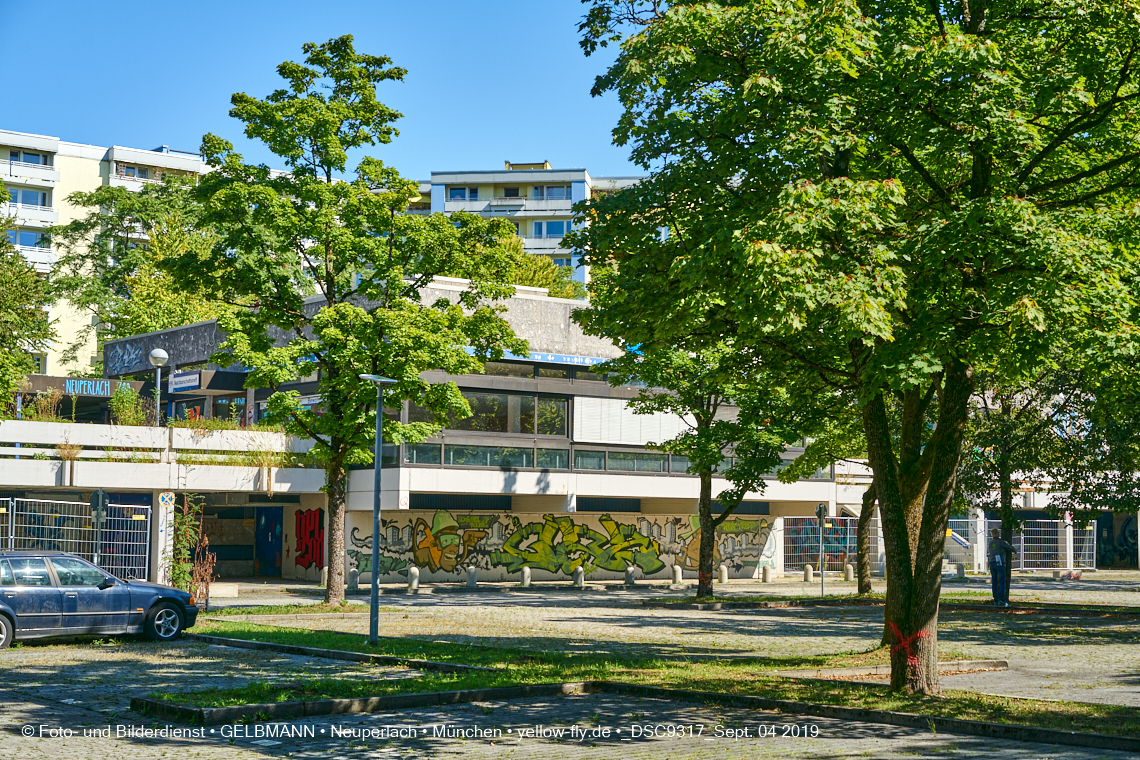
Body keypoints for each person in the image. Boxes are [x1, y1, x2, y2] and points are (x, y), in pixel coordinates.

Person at [988, 528, 1017, 607]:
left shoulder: (990, 543)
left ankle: (996, 600)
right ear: (998, 534)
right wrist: (1015, 550)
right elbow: (1010, 548)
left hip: (992, 563)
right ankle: (1002, 600)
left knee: (994, 582)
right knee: (1002, 582)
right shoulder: (1002, 542)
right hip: (1000, 563)